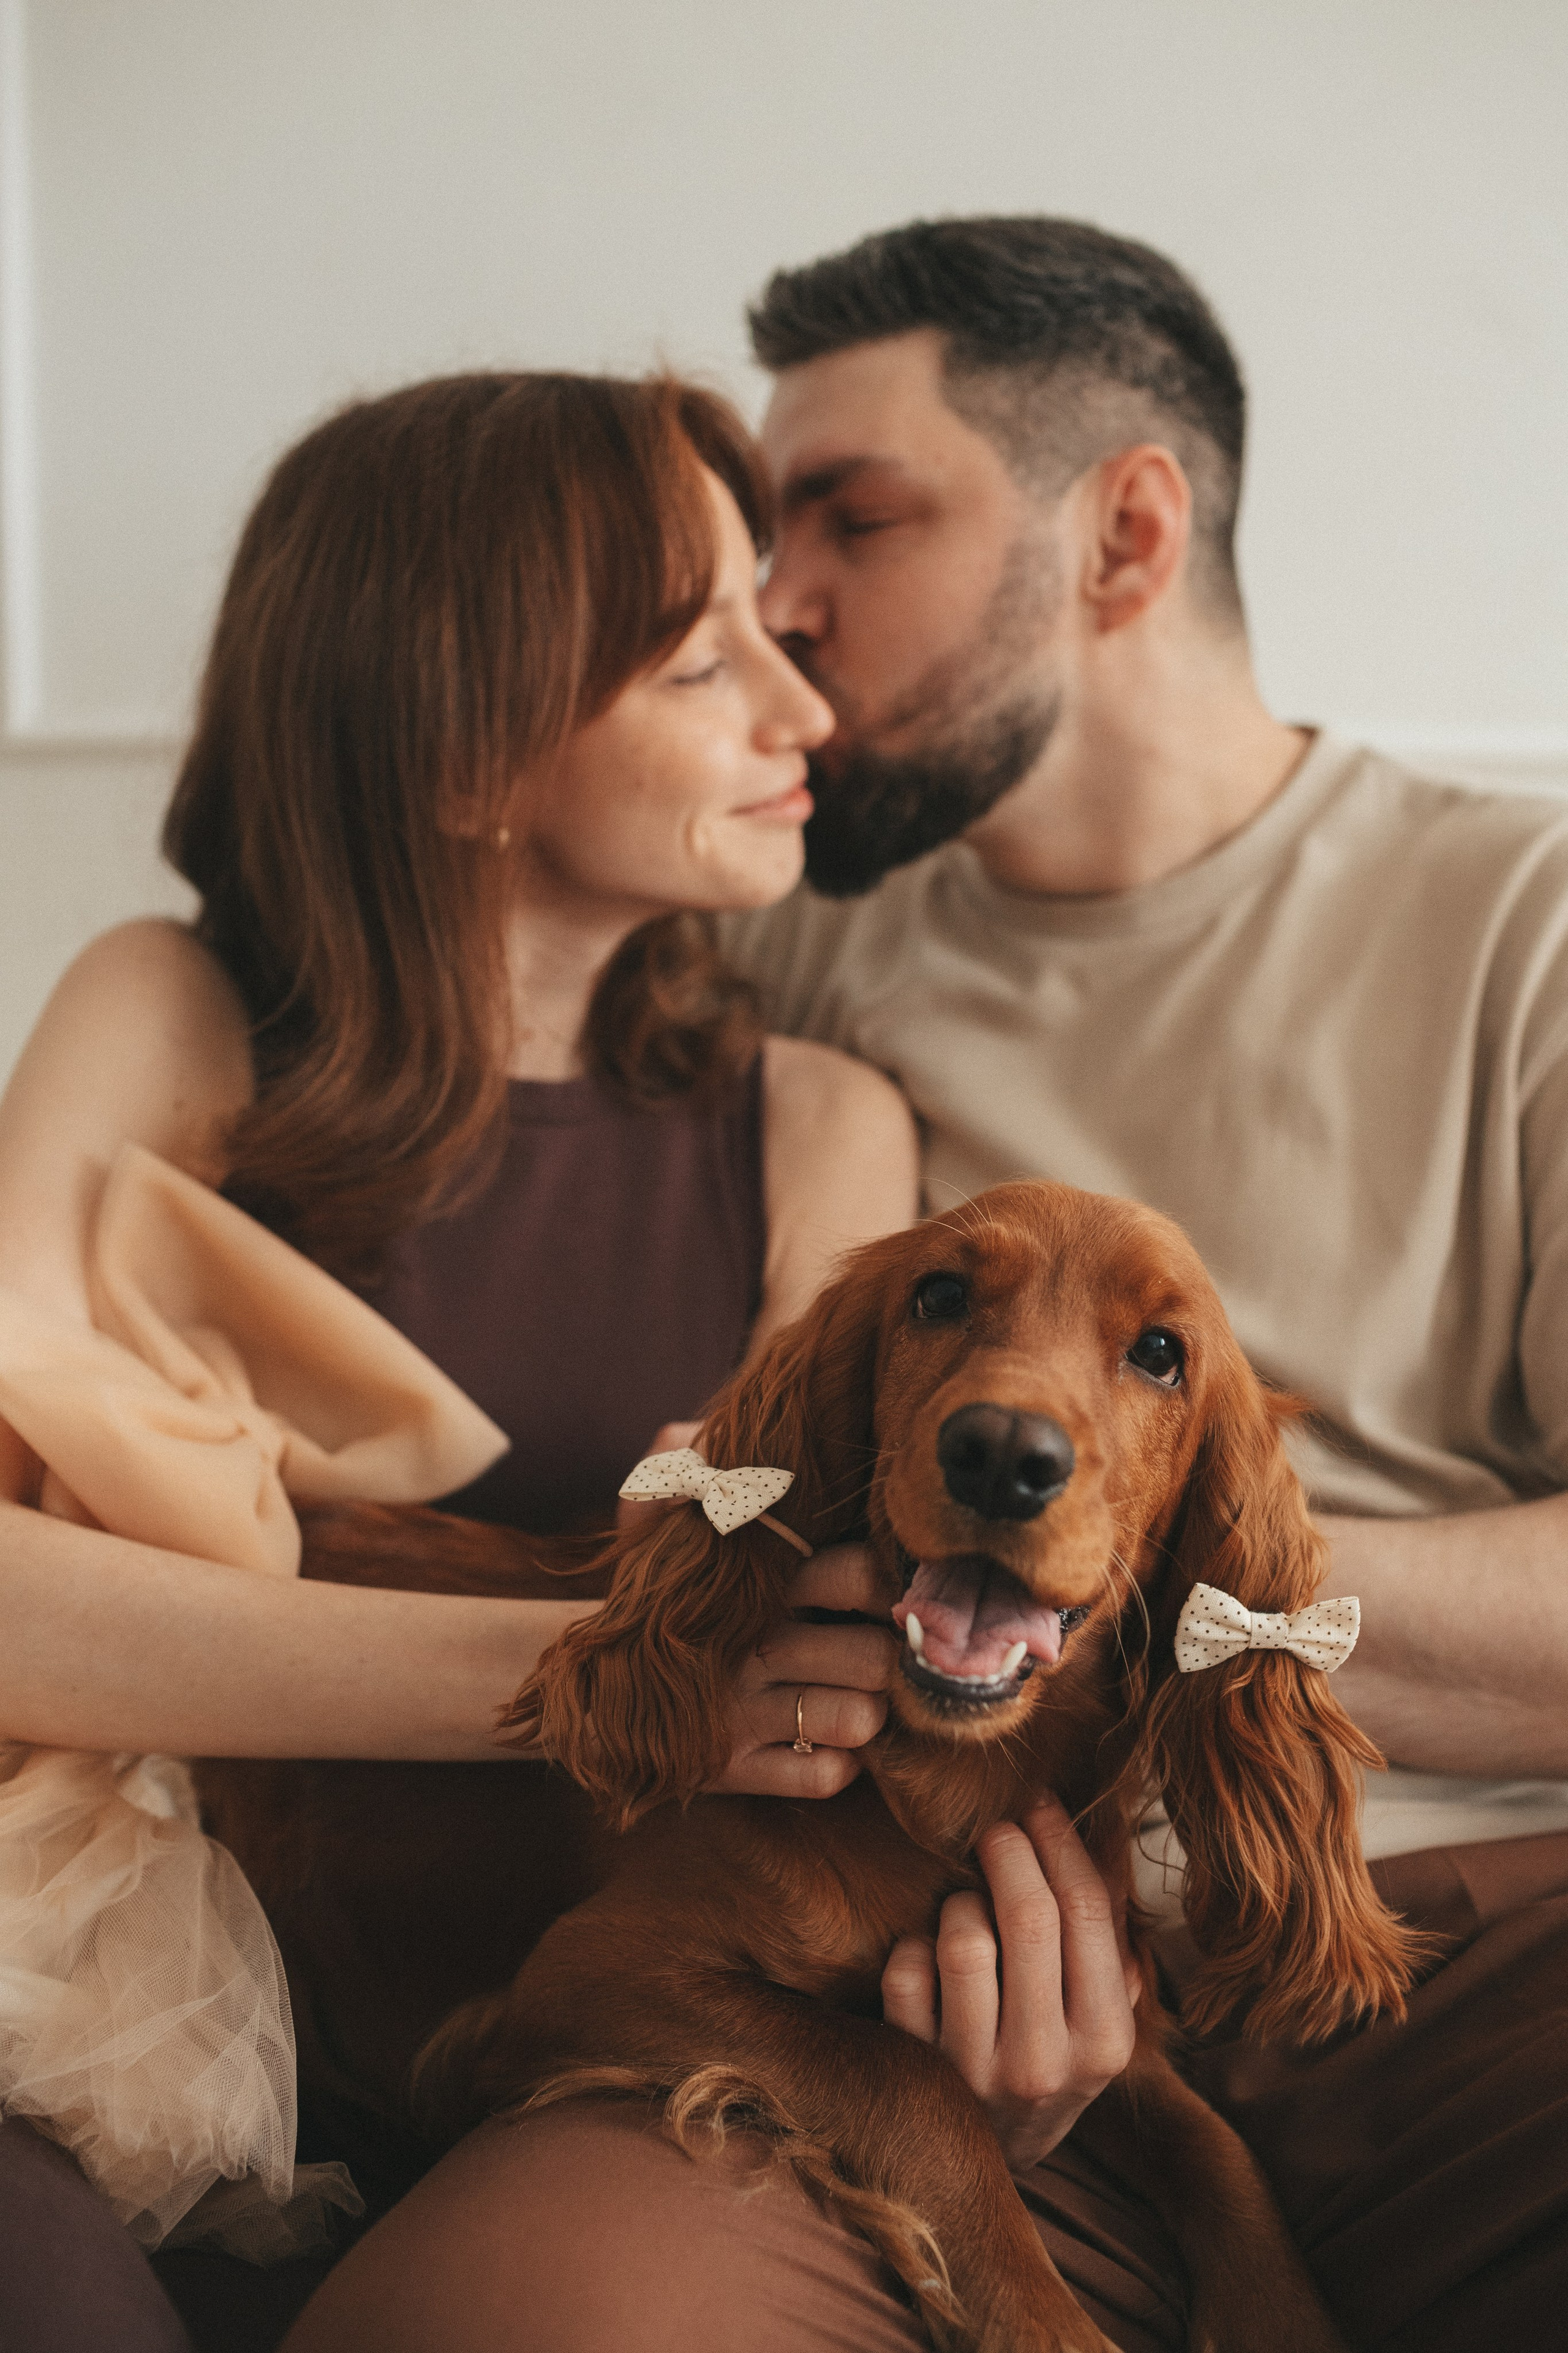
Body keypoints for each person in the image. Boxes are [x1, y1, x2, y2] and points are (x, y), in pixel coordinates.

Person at [0, 371, 954, 2352]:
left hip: (595, 2032)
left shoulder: (821, 1123)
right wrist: (589, 1680)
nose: (806, 714)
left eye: (775, 641)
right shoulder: (173, 1015)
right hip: (110, 1994)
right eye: (708, 664)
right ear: (466, 757)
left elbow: (807, 1627)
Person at [704, 214, 1568, 2348]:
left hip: (1463, 1943)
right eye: (758, 529)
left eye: (851, 516)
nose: (773, 603)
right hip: (910, 1954)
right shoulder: (780, 937)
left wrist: (1140, 1583)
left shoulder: (1519, 929)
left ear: (1126, 534)